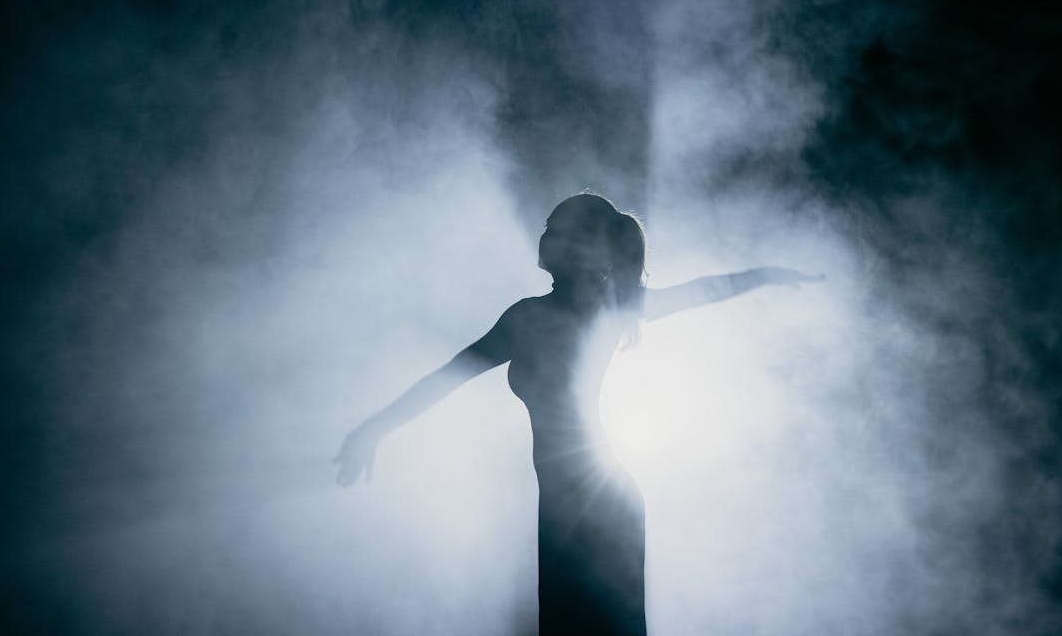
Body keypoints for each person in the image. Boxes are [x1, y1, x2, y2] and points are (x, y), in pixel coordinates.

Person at [334, 193, 822, 635]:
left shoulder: (568, 313)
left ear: (588, 246)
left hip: (596, 505)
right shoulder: (551, 313)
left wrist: (768, 275)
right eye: (546, 227)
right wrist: (372, 430)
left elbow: (707, 290)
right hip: (574, 503)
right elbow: (449, 376)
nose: (545, 237)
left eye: (557, 228)